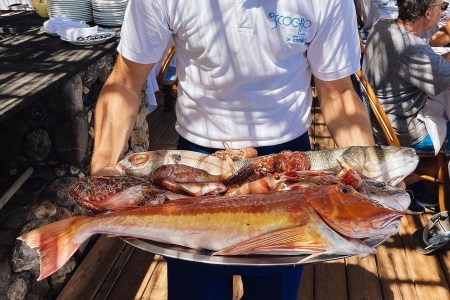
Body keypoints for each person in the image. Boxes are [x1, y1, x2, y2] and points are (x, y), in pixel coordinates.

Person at [91, 1, 374, 299]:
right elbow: (125, 80)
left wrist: (368, 174)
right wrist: (103, 167)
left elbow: (338, 92)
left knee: (273, 291)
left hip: (286, 165)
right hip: (195, 164)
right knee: (196, 289)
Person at [362, 0, 450, 214]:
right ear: (428, 13)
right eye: (442, 7)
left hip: (379, 119)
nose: (444, 11)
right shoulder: (415, 50)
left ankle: (409, 180)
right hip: (403, 131)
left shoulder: (382, 25)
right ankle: (404, 178)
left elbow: (438, 68)